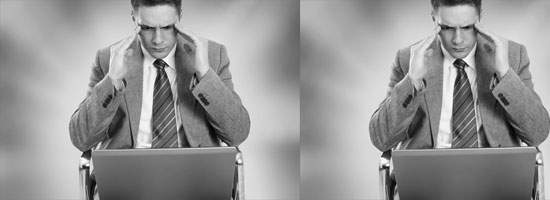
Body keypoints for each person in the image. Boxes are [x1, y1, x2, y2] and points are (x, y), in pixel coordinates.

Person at [69, 0, 250, 154]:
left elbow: (237, 133)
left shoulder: (212, 55)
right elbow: (81, 140)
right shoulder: (108, 58)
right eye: (147, 28)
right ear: (134, 17)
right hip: (128, 180)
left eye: (167, 27)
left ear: (179, 17)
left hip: (195, 178)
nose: (157, 40)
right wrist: (112, 81)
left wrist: (205, 74)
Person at [370, 0, 549, 152]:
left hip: (494, 176)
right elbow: (382, 139)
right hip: (429, 178)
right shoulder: (408, 59)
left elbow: (538, 133)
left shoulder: (512, 56)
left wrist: (505, 74)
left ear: (479, 17)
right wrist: (412, 81)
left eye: (467, 27)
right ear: (433, 17)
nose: (458, 40)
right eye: (447, 28)